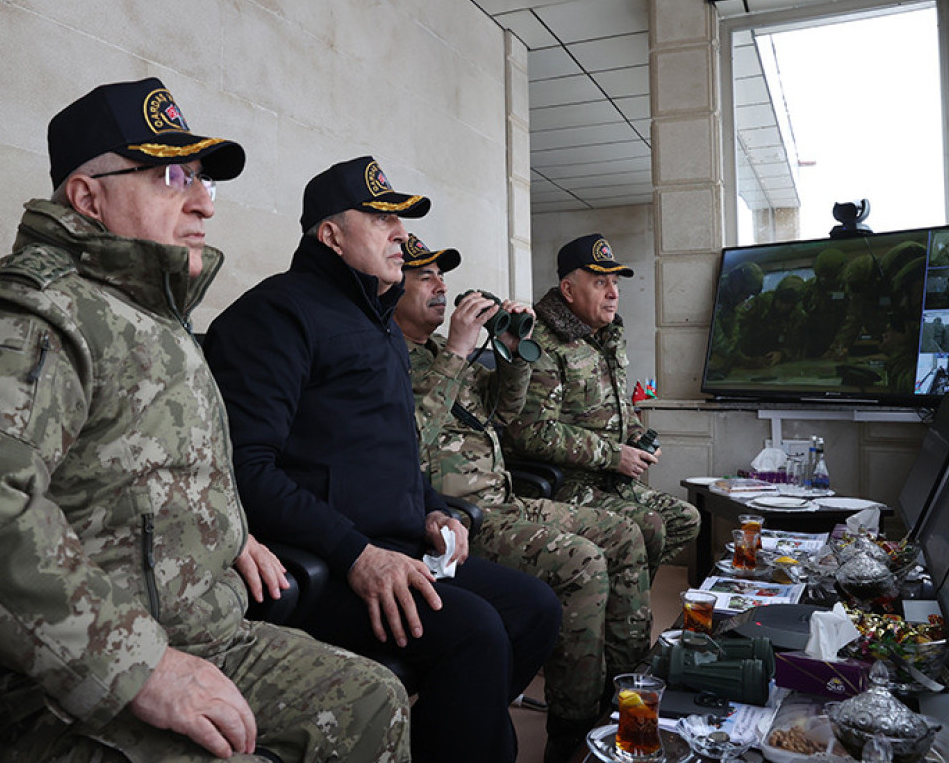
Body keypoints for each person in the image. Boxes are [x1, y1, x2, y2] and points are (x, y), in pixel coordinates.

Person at [0, 78, 410, 763]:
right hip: (54, 683)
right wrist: (140, 667)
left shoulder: (156, 320)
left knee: (372, 700)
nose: (202, 202)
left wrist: (222, 529)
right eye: (170, 175)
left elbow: (136, 476)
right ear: (88, 196)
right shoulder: (32, 318)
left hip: (200, 632)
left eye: (201, 179)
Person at [202, 156, 561, 763]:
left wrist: (433, 510)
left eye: (401, 220)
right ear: (330, 234)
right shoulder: (277, 314)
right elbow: (246, 469)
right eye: (380, 218)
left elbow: (396, 453)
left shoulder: (382, 325)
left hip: (400, 545)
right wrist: (356, 555)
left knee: (534, 609)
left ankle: (443, 739)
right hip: (328, 559)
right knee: (473, 632)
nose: (400, 234)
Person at [393, 235, 654, 763]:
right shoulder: (388, 356)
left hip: (506, 500)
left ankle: (622, 691)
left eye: (443, 277)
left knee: (625, 535)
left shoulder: (441, 354)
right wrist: (460, 350)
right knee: (582, 562)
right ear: (389, 288)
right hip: (456, 521)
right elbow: (407, 440)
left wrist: (511, 354)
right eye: (425, 277)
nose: (441, 287)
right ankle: (570, 728)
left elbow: (507, 413)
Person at [503, 234, 701, 577]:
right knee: (649, 526)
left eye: (615, 283)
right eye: (600, 283)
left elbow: (619, 402)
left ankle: (620, 597)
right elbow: (531, 432)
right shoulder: (541, 343)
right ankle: (618, 608)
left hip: (607, 478)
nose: (613, 293)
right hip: (565, 484)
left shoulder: (605, 336)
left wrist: (637, 436)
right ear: (568, 290)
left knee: (685, 519)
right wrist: (614, 455)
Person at [736, 274, 809, 368]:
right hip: (747, 355)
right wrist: (743, 358)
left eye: (788, 304)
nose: (782, 307)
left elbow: (796, 344)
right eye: (781, 301)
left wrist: (782, 354)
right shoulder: (758, 302)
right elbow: (738, 319)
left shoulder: (797, 316)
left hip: (772, 362)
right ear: (776, 296)